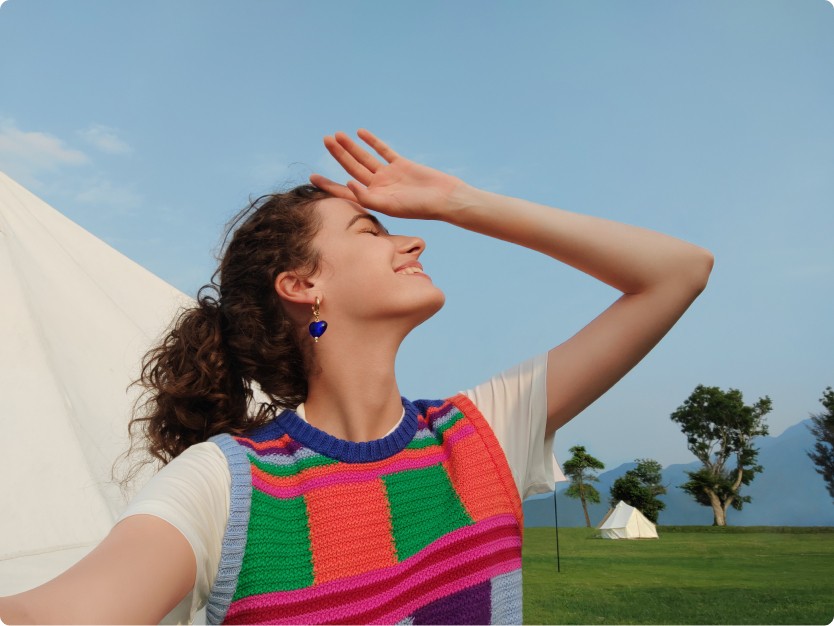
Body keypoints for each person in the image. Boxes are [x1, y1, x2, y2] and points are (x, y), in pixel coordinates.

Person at [0, 129, 713, 624]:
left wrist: (461, 201)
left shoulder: (480, 434)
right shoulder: (228, 485)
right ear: (301, 285)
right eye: (372, 231)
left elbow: (677, 272)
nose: (414, 236)